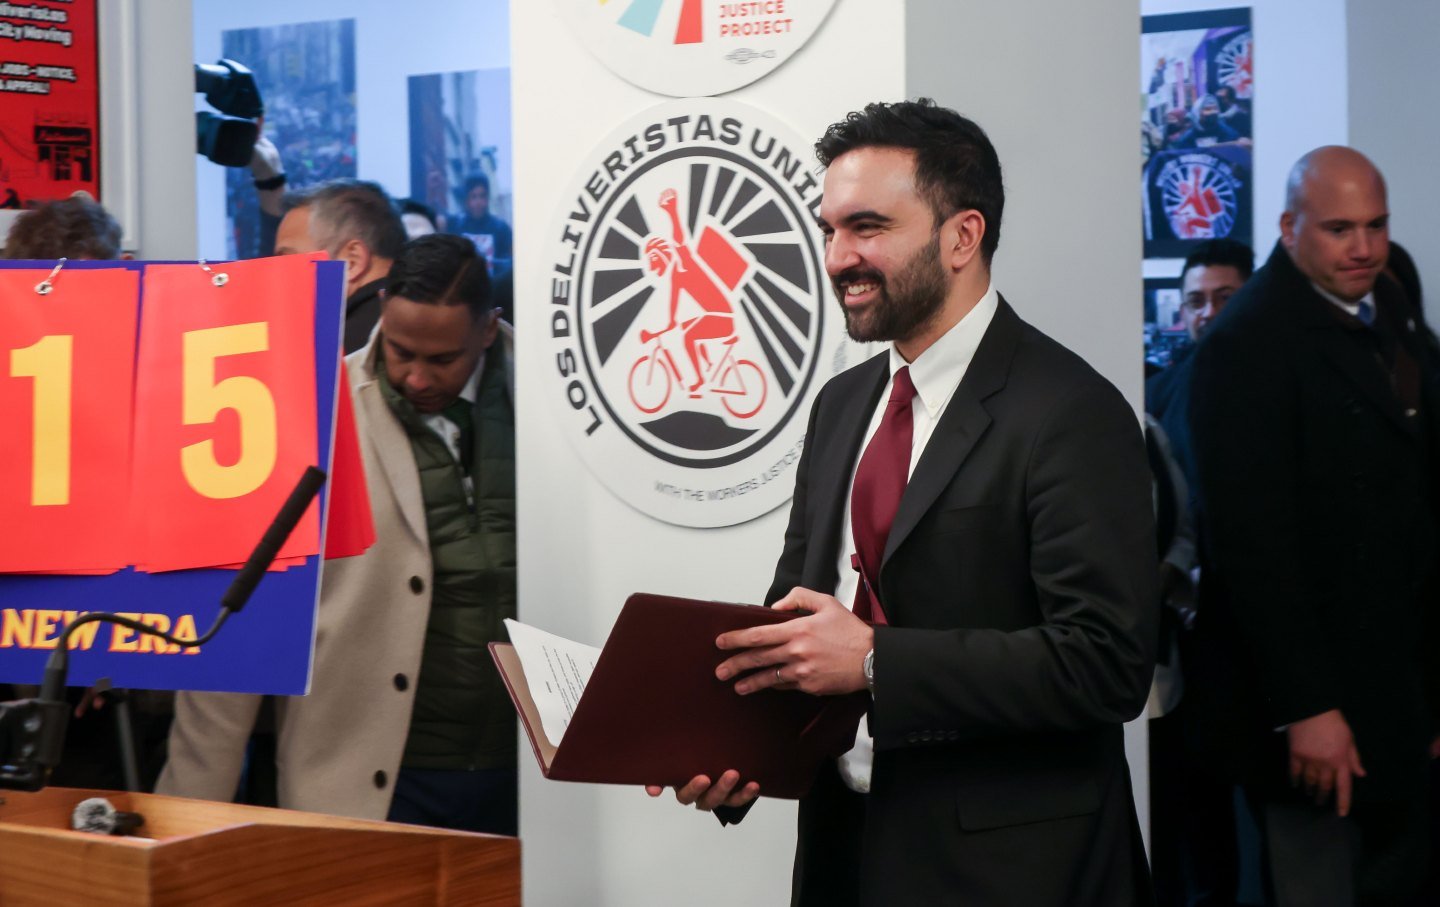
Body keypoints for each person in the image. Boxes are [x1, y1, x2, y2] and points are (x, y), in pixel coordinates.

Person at [648, 99, 1157, 906]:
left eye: (868, 227)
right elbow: (798, 625)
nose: (837, 257)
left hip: (1011, 873)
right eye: (829, 229)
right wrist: (732, 752)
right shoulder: (842, 404)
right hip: (843, 856)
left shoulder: (1069, 410)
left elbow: (1106, 662)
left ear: (963, 236)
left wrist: (876, 660)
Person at [159, 234, 519, 834]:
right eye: (400, 351)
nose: (416, 377)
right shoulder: (313, 412)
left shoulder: (562, 406)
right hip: (367, 781)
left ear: (487, 329)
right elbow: (241, 623)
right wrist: (186, 818)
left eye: (442, 359)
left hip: (533, 780)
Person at [1187, 146, 1440, 906]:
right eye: (1339, 229)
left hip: (1400, 683)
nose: (1364, 247)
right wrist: (1307, 707)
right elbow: (1251, 549)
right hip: (1307, 700)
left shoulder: (1391, 307)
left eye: (1376, 225)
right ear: (1289, 228)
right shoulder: (1243, 344)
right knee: (1315, 883)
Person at [1146, 238, 1253, 491]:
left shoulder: (1288, 381)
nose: (1209, 312)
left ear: (1251, 301)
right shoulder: (1156, 395)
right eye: (1196, 302)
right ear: (1183, 312)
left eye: (1225, 298)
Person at [275, 179, 406, 354]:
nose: (276, 279)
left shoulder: (333, 352)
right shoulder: (419, 321)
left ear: (352, 261)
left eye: (287, 260)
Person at [640, 188, 736, 394]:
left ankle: (700, 379)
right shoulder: (676, 276)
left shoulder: (685, 265)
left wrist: (672, 212)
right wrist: (663, 328)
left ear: (663, 255)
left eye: (653, 259)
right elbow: (673, 311)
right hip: (715, 315)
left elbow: (680, 242)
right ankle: (708, 363)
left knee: (688, 336)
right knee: (686, 327)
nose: (651, 267)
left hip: (723, 317)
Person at [451, 172, 513, 270]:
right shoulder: (456, 228)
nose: (478, 202)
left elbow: (510, 264)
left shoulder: (501, 229)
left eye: (482, 196)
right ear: (467, 200)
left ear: (487, 198)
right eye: (473, 196)